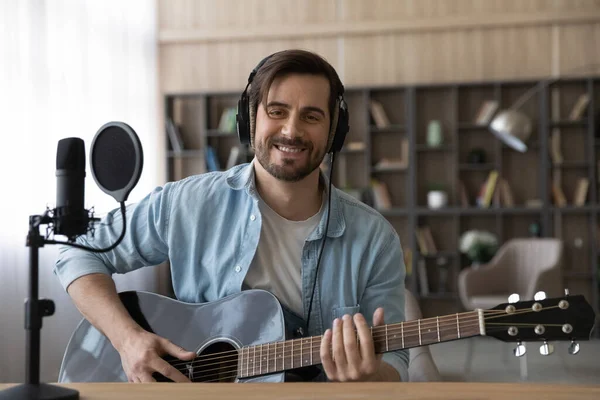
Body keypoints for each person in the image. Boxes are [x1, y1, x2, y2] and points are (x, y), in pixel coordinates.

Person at [54, 49, 409, 383]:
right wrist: (127, 339)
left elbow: (396, 364)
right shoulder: (186, 202)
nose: (291, 130)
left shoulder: (375, 240)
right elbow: (79, 253)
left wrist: (370, 373)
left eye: (311, 116)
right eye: (277, 111)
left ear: (335, 131)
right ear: (248, 119)